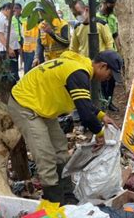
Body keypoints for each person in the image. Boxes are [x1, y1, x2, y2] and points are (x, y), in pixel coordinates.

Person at [8, 50, 122, 205]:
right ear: (103, 66)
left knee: (60, 149)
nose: (107, 79)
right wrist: (99, 132)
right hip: (25, 105)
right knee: (45, 156)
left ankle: (68, 195)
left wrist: (101, 115)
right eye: (109, 75)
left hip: (42, 105)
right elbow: (85, 114)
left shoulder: (80, 67)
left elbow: (83, 102)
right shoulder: (79, 73)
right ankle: (55, 203)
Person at [97, 0, 121, 112]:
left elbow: (115, 35)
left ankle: (110, 102)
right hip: (101, 54)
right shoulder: (96, 18)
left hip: (112, 53)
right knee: (102, 80)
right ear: (105, 3)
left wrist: (119, 51)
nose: (112, 6)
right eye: (111, 4)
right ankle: (103, 103)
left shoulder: (112, 18)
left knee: (112, 79)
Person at [0, 3, 21, 82]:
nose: (13, 14)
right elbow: (0, 35)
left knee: (14, 71)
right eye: (12, 12)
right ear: (6, 9)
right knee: (11, 73)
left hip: (13, 48)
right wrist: (8, 48)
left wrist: (17, 47)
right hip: (6, 50)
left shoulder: (7, 19)